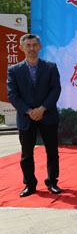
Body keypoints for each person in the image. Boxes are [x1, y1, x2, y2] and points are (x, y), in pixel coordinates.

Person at [7, 34, 62, 197]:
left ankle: (52, 182)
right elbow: (12, 94)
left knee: (52, 152)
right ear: (21, 48)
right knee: (26, 154)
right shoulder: (14, 70)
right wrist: (29, 111)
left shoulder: (50, 67)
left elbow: (55, 90)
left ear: (40, 47)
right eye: (28, 45)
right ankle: (30, 184)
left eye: (34, 45)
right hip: (26, 117)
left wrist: (42, 108)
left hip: (48, 115)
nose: (32, 48)